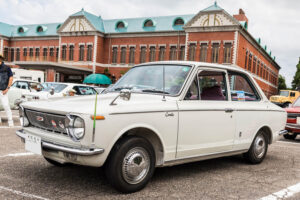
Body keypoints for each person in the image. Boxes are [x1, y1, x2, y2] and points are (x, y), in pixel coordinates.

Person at [0, 54, 14, 127]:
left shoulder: (6, 68)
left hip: (3, 91)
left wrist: (7, 88)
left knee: (6, 106)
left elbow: (11, 78)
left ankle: (10, 121)